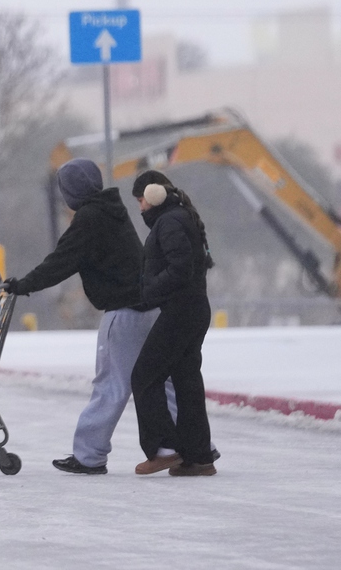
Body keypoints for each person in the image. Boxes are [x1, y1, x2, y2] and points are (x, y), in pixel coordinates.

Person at [3, 158, 161, 475]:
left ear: (72, 192)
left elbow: (61, 262)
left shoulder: (90, 218)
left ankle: (89, 455)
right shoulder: (113, 210)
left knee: (111, 384)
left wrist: (23, 285)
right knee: (161, 380)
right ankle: (182, 446)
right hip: (151, 308)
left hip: (124, 312)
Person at [130, 171, 217, 476]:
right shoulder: (179, 217)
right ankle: (198, 457)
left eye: (140, 200)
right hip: (193, 309)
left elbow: (180, 268)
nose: (140, 207)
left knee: (144, 376)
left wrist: (149, 290)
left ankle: (164, 449)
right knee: (186, 381)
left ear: (153, 195)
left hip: (181, 311)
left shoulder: (169, 222)